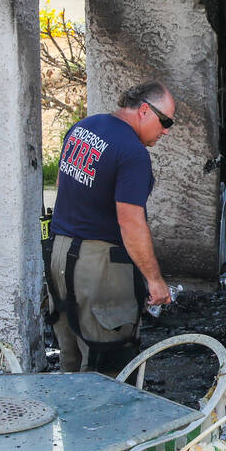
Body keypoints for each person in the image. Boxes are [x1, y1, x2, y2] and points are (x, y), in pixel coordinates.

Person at [46, 81, 176, 376]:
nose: (166, 130)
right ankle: (101, 422)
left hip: (59, 255)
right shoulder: (133, 153)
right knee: (108, 366)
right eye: (165, 121)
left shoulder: (84, 128)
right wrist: (154, 280)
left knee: (71, 357)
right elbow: (130, 222)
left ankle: (69, 419)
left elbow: (61, 185)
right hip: (98, 265)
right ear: (145, 110)